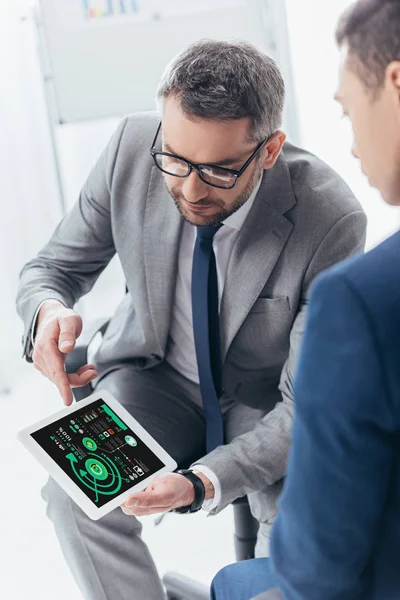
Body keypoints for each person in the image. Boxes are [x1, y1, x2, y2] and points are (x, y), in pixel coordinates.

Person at [16, 40, 366, 600]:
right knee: (74, 496)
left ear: (270, 150)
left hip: (267, 405)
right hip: (155, 380)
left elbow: (307, 404)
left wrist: (200, 483)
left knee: (292, 571)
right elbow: (53, 267)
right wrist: (48, 311)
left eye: (220, 170)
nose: (190, 188)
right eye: (176, 160)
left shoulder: (330, 219)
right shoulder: (134, 147)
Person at [211, 1, 400, 599]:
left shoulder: (363, 299)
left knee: (232, 583)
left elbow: (319, 566)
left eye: (349, 111)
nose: (350, 145)